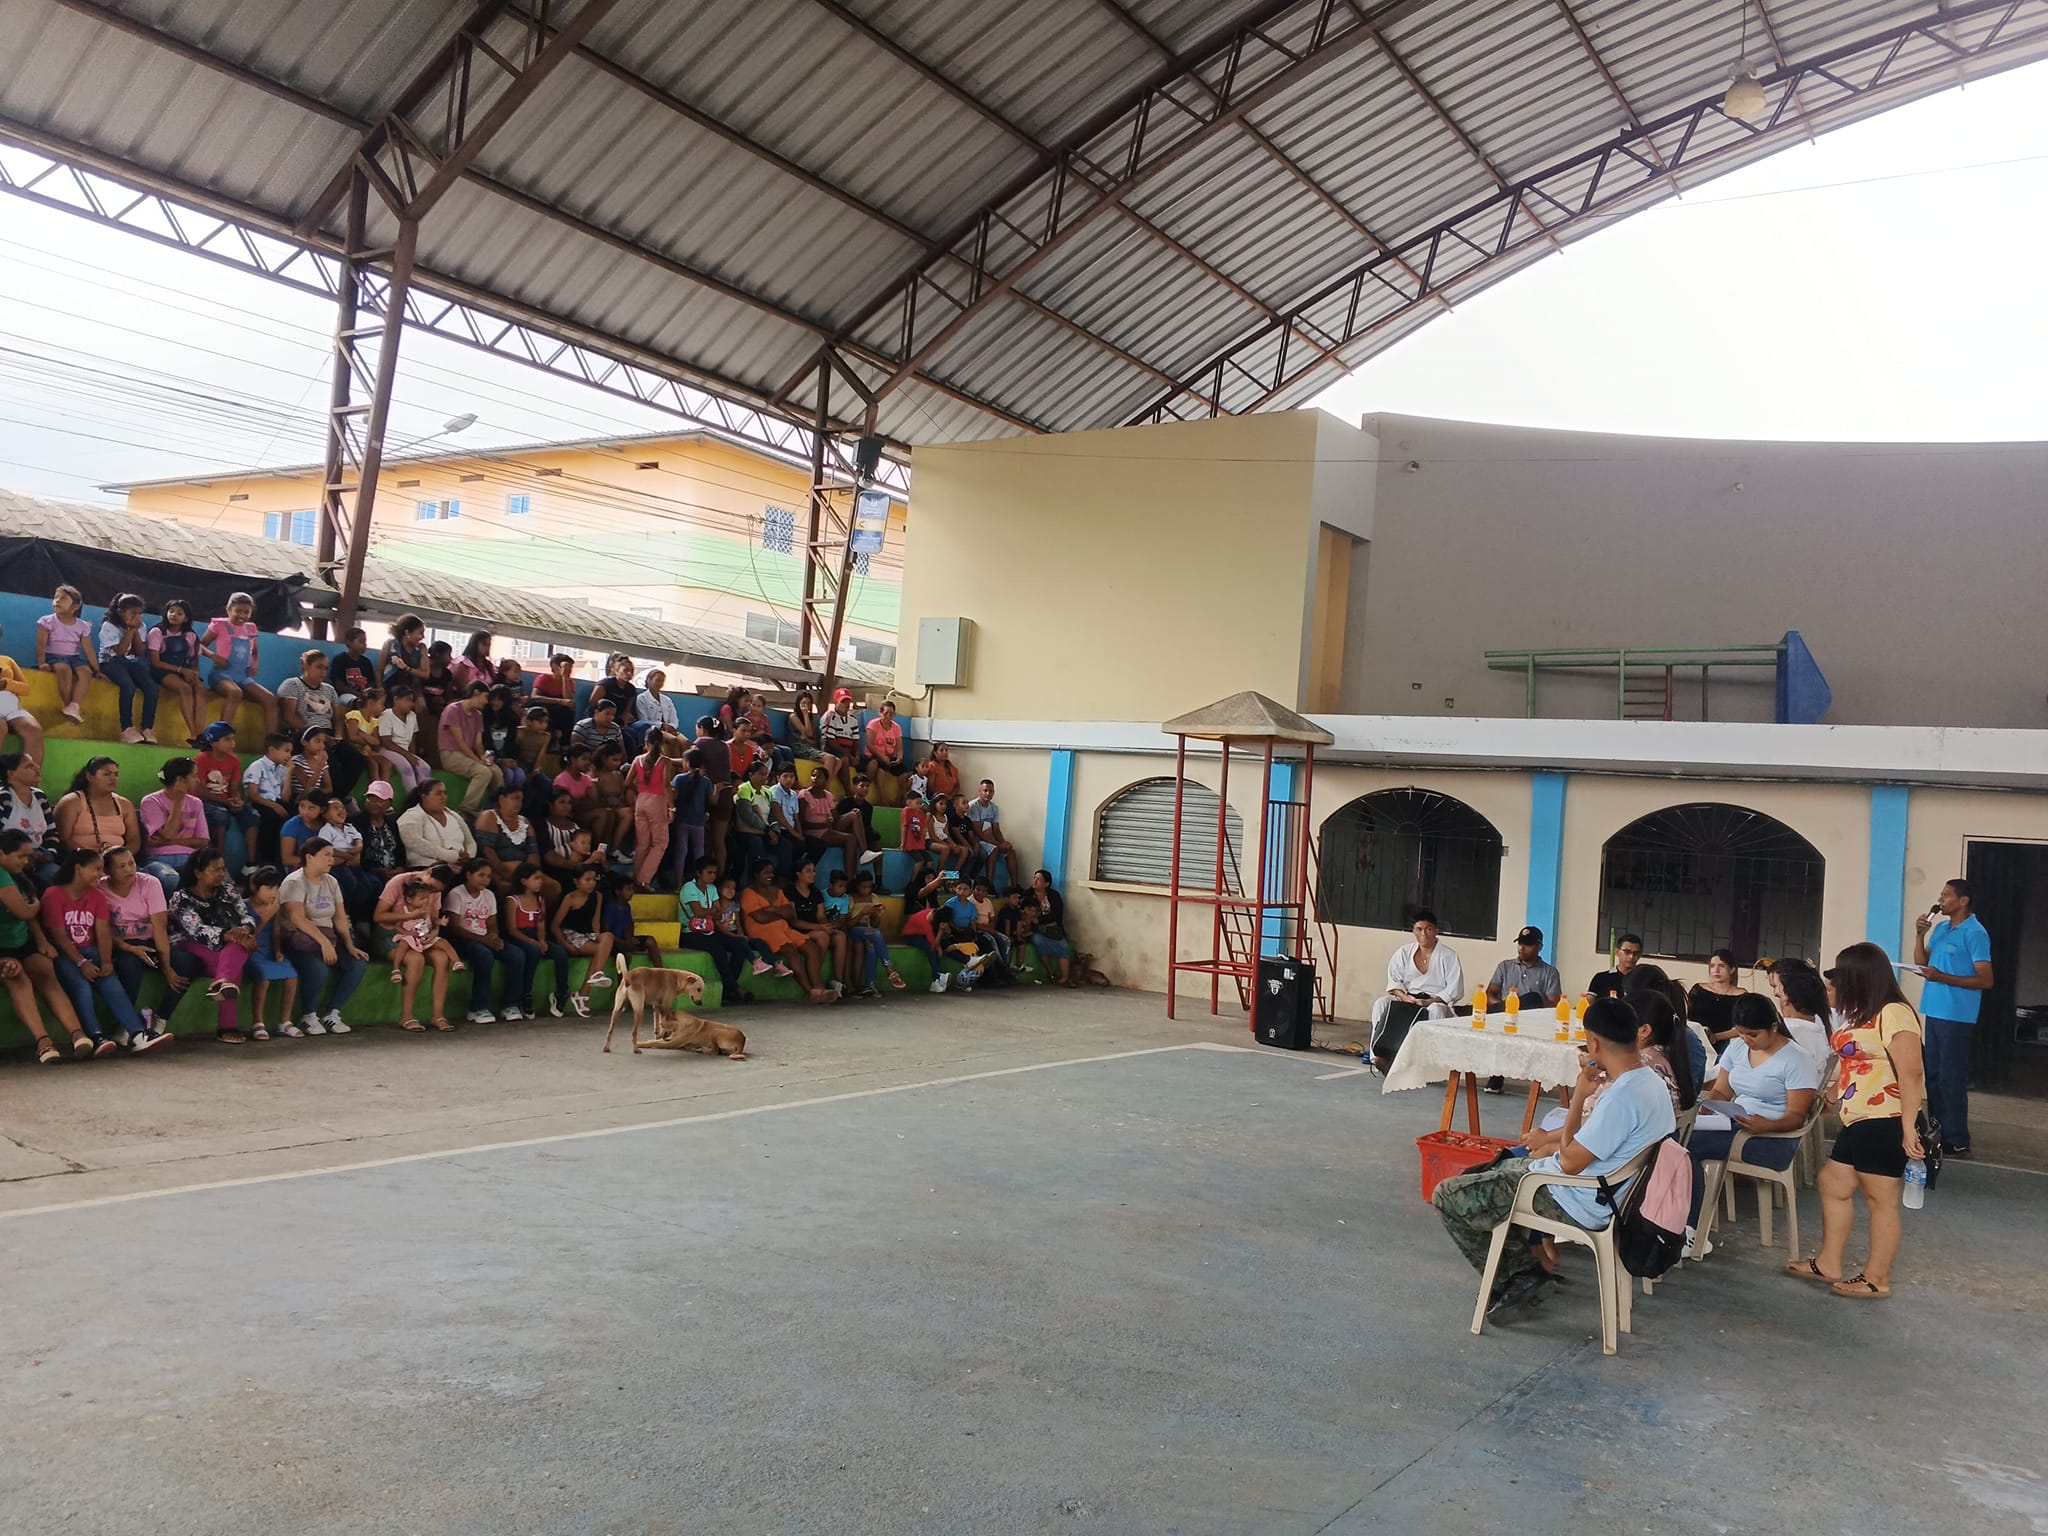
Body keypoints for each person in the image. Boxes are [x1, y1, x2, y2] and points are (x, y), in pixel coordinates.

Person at [1433, 994, 1677, 1317]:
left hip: (1574, 1197)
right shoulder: (1651, 1083)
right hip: (1603, 1193)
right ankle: (1524, 1269)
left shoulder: (1622, 1097)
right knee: (1483, 1175)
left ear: (1594, 1043)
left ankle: (1517, 1275)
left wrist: (1579, 1097)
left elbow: (1569, 1162)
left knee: (1447, 1195)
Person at [1788, 942, 1928, 1300]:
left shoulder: (1894, 1013)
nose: (1833, 986)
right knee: (1833, 1183)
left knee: (1880, 1199)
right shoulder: (1864, 1013)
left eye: (1840, 978)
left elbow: (1912, 1073)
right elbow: (1858, 1061)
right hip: (1860, 1119)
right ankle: (1829, 1262)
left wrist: (1908, 1127)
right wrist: (1834, 1096)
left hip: (1885, 1119)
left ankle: (1877, 1278)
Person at [1687, 991, 1822, 1230]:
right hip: (1737, 1121)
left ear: (1773, 1027)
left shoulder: (1796, 1059)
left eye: (1753, 1034)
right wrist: (1708, 1109)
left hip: (1772, 1137)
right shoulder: (1737, 1048)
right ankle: (1684, 1219)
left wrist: (1767, 1125)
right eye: (1740, 1033)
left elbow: (1796, 1117)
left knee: (1687, 1146)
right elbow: (1721, 1092)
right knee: (1679, 1136)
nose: (1746, 1039)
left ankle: (1691, 1226)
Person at [1912, 877, 1993, 1159]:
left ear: (1963, 901)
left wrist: (1942, 977)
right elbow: (1922, 963)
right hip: (1934, 1011)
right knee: (1934, 1075)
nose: (1940, 900)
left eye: (1946, 895)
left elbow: (1986, 979)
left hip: (1957, 1016)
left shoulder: (1975, 933)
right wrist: (1919, 935)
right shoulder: (1942, 928)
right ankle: (1937, 1131)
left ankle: (1957, 1138)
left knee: (1951, 1077)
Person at [0, 829, 93, 1062]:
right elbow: (25, 910)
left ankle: (78, 1034)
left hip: (22, 941)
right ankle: (43, 1042)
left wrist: (41, 940)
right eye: (21, 856)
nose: (26, 861)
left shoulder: (18, 874)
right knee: (18, 978)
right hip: (2, 949)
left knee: (46, 973)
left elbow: (28, 916)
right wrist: (36, 905)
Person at [41, 847, 144, 1053]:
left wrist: (106, 961)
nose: (100, 874)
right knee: (81, 986)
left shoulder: (97, 896)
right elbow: (58, 936)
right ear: (78, 868)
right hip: (65, 954)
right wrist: (81, 962)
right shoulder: (54, 894)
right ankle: (95, 1036)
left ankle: (138, 1033)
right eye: (96, 869)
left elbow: (103, 931)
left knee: (111, 982)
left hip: (91, 950)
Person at [167, 849, 260, 1042]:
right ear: (198, 873)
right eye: (215, 870)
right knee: (235, 961)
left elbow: (245, 915)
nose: (221, 873)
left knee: (235, 952)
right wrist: (229, 935)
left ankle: (221, 982)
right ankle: (227, 1027)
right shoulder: (181, 898)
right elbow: (196, 930)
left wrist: (246, 929)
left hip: (226, 947)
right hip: (189, 945)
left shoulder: (228, 890)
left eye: (223, 869)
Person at [279, 838, 365, 1036]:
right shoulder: (294, 882)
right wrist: (324, 943)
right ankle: (308, 1015)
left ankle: (333, 1013)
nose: (331, 860)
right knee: (318, 969)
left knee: (357, 964)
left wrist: (349, 945)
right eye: (326, 855)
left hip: (328, 936)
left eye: (332, 855)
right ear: (309, 857)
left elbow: (340, 917)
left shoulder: (331, 881)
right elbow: (298, 919)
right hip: (300, 939)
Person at [98, 845, 177, 1040]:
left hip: (150, 940)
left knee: (185, 962)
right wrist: (131, 949)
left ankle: (160, 1019)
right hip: (121, 943)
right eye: (121, 866)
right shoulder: (99, 888)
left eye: (131, 863)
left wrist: (166, 966)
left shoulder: (150, 883)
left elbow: (160, 929)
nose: (129, 869)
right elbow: (102, 932)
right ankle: (125, 1025)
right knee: (129, 964)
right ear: (107, 871)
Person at [1369, 911, 1465, 1071]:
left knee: (1437, 1010)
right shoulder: (1404, 952)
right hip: (1407, 999)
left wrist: (1429, 1001)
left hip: (1434, 1001)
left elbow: (1454, 989)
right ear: (1413, 931)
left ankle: (1429, 1062)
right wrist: (1406, 998)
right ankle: (1379, 1056)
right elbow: (1394, 982)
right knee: (1381, 1003)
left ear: (1436, 931)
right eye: (1419, 929)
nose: (1423, 934)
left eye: (1428, 929)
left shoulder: (1448, 956)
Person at [1482, 925, 1565, 1094]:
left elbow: (1553, 1004)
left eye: (1528, 944)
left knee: (1533, 998)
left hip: (1533, 1019)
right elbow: (1490, 993)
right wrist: (1507, 1008)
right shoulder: (1505, 966)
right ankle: (1497, 1075)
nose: (1522, 948)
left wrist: (1527, 1008)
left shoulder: (1549, 972)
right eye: (1520, 943)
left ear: (1539, 947)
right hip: (1505, 1016)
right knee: (1506, 1014)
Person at [741, 858, 834, 1003]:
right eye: (765, 872)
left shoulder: (777, 891)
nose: (770, 875)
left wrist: (772, 910)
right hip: (763, 931)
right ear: (756, 875)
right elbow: (761, 918)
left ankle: (819, 987)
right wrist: (780, 912)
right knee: (791, 951)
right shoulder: (748, 893)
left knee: (812, 948)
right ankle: (811, 992)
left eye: (771, 872)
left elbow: (791, 914)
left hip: (784, 928)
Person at [374, 865, 454, 1032]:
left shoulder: (435, 892)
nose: (431, 892)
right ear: (428, 872)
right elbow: (379, 916)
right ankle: (406, 1016)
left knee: (442, 958)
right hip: (392, 934)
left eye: (435, 891)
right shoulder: (398, 882)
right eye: (431, 887)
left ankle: (438, 1015)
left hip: (420, 935)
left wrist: (434, 932)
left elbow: (434, 919)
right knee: (415, 959)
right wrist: (409, 916)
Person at [278, 648, 365, 800]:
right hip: (305, 734)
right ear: (305, 665)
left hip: (328, 734)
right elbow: (289, 716)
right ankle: (334, 798)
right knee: (331, 763)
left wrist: (338, 736)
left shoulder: (329, 690)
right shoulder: (292, 685)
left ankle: (339, 796)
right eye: (319, 667)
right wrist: (319, 736)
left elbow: (338, 717)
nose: (323, 672)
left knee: (357, 758)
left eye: (325, 668)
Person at [445, 857, 524, 1024]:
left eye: (488, 876)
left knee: (516, 955)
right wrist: (483, 940)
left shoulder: (489, 895)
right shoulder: (456, 894)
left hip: (484, 938)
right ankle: (478, 1007)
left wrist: (494, 936)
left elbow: (492, 923)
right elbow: (455, 928)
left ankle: (510, 1004)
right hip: (464, 939)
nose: (485, 880)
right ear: (468, 875)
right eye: (481, 875)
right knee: (484, 955)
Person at [676, 854, 757, 1000]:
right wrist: (712, 912)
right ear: (699, 873)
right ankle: (735, 988)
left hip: (709, 930)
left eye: (714, 873)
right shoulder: (689, 887)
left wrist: (709, 912)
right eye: (709, 872)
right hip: (689, 933)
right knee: (718, 948)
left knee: (739, 944)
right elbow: (698, 912)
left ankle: (729, 987)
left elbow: (719, 914)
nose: (713, 876)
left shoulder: (712, 888)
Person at [198, 591, 277, 735]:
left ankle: (272, 740)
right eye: (238, 611)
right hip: (221, 675)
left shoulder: (251, 628)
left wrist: (254, 665)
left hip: (243, 677)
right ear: (228, 610)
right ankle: (221, 735)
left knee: (270, 699)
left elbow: (255, 652)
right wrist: (214, 656)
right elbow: (199, 645)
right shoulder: (219, 625)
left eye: (246, 612)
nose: (242, 615)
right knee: (235, 693)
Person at [241, 866, 301, 1037]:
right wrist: (265, 916)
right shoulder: (244, 906)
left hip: (268, 951)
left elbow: (275, 932)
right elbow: (249, 937)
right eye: (268, 888)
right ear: (254, 887)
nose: (273, 892)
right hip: (250, 952)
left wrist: (277, 951)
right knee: (263, 977)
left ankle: (285, 1022)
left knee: (292, 975)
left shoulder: (274, 907)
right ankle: (258, 1023)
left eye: (276, 888)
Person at [504, 861, 567, 1018]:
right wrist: (532, 942)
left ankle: (561, 993)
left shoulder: (540, 900)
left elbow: (540, 924)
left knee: (560, 952)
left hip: (535, 936)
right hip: (519, 937)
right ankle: (525, 995)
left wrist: (542, 940)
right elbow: (512, 929)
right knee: (532, 951)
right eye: (536, 878)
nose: (540, 882)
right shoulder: (512, 900)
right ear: (524, 881)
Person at [192, 723, 259, 871]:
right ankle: (220, 864)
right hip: (207, 801)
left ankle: (251, 863)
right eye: (227, 739)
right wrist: (225, 802)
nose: (233, 743)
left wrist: (236, 799)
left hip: (225, 801)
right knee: (220, 815)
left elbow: (234, 787)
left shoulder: (234, 761)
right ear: (214, 743)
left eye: (233, 739)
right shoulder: (201, 760)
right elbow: (200, 790)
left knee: (252, 815)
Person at [138, 757, 210, 894]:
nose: (198, 780)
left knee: (213, 877)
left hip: (191, 859)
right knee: (170, 879)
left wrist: (170, 842)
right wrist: (178, 800)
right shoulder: (151, 801)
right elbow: (168, 833)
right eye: (194, 776)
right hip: (159, 859)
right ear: (180, 780)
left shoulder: (196, 803)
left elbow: (203, 841)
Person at [552, 865, 616, 1018]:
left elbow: (595, 921)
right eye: (587, 880)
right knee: (600, 950)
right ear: (577, 882)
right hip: (571, 934)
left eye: (593, 880)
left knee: (608, 937)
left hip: (588, 933)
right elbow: (555, 925)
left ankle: (597, 974)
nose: (591, 883)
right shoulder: (570, 898)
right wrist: (565, 944)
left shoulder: (597, 896)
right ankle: (583, 994)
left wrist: (597, 937)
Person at [97, 593, 161, 744]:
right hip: (110, 661)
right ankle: (126, 728)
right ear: (120, 611)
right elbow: (119, 651)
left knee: (151, 687)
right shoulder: (109, 625)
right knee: (128, 685)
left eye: (140, 613)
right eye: (133, 613)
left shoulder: (141, 626)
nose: (137, 616)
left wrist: (136, 631)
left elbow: (140, 652)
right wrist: (130, 630)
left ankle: (147, 728)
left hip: (130, 661)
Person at [55, 756, 141, 863]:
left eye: (116, 774)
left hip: (117, 864)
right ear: (89, 776)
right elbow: (64, 839)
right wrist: (93, 857)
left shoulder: (125, 804)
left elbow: (134, 840)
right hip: (81, 861)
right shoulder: (71, 802)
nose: (113, 778)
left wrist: (118, 858)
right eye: (107, 774)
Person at [435, 681, 504, 814]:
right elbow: (460, 742)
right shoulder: (452, 710)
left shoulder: (478, 715)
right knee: (483, 772)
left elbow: (478, 743)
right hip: (451, 754)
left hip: (468, 754)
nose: (486, 701)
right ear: (475, 693)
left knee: (497, 771)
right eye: (485, 697)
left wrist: (484, 758)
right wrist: (478, 761)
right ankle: (467, 809)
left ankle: (498, 807)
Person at [36, 583, 99, 725]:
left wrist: (97, 669)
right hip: (54, 656)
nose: (57, 600)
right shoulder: (47, 621)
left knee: (86, 672)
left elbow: (88, 649)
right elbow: (41, 643)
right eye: (56, 597)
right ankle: (67, 704)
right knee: (64, 670)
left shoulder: (82, 625)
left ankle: (74, 705)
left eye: (63, 598)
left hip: (74, 657)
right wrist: (42, 662)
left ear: (75, 606)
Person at [147, 598, 206, 745]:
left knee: (199, 688)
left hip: (183, 669)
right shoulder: (157, 631)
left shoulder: (190, 635)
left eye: (179, 613)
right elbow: (155, 662)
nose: (174, 615)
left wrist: (194, 673)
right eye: (171, 611)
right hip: (161, 669)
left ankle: (200, 734)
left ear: (186, 618)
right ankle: (192, 732)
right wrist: (180, 670)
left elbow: (194, 660)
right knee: (185, 688)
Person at [786, 857, 847, 995]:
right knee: (822, 936)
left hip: (816, 928)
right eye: (808, 871)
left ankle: (838, 981)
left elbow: (820, 917)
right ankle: (815, 979)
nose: (813, 874)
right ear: (798, 874)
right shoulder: (790, 891)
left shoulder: (815, 892)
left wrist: (827, 926)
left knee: (840, 936)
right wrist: (820, 928)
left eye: (814, 871)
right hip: (798, 931)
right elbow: (793, 921)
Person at [1765, 957, 1835, 1075]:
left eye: (1775, 986)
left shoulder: (1784, 1031)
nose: (1775, 993)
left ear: (1787, 992)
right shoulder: (1821, 1024)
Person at [0, 750, 59, 884]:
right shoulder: (3, 798)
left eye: (34, 764)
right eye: (29, 766)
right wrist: (20, 855)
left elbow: (52, 832)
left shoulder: (40, 797)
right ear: (11, 773)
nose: (36, 768)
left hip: (39, 856)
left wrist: (49, 854)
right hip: (9, 857)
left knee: (59, 880)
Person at [844, 870, 904, 994]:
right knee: (875, 934)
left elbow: (875, 924)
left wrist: (877, 915)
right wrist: (862, 913)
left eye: (869, 887)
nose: (867, 890)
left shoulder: (873, 897)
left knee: (872, 949)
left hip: (868, 930)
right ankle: (889, 968)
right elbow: (848, 924)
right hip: (854, 929)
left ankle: (869, 984)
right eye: (863, 887)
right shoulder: (850, 898)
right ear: (857, 886)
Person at [398, 778, 477, 869]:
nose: (443, 797)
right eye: (438, 794)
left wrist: (469, 856)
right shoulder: (411, 816)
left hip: (460, 867)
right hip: (425, 869)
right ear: (424, 797)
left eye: (445, 793)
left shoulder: (454, 816)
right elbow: (414, 842)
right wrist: (449, 856)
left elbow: (470, 842)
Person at [240, 732, 294, 864]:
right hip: (260, 802)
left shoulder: (282, 769)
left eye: (290, 752)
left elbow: (285, 798)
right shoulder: (257, 766)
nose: (289, 756)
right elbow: (252, 795)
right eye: (286, 751)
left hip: (277, 802)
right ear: (272, 750)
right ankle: (266, 860)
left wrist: (289, 773)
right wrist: (274, 806)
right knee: (271, 817)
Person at [374, 683, 431, 796]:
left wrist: (411, 755)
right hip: (388, 750)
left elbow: (412, 739)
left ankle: (425, 797)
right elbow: (386, 743)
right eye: (408, 700)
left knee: (425, 768)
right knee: (406, 768)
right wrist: (407, 755)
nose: (411, 704)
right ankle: (413, 799)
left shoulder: (412, 716)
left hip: (405, 751)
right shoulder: (386, 715)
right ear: (396, 700)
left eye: (412, 701)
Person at [0, 628, 46, 765]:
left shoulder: (7, 660)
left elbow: (26, 689)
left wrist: (6, 683)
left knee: (34, 730)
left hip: (11, 707)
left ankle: (30, 776)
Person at [966, 779, 1020, 889]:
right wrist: (997, 844)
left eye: (990, 791)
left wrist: (1003, 842)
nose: (988, 794)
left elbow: (996, 830)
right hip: (976, 840)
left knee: (1011, 852)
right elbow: (977, 831)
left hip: (988, 840)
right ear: (979, 791)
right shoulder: (973, 806)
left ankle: (1015, 887)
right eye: (985, 790)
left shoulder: (994, 808)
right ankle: (989, 884)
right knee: (994, 849)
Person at [1687, 948, 1748, 1043]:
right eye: (1712, 966)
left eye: (1721, 966)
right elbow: (1687, 1016)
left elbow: (1744, 1026)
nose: (1716, 970)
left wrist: (1715, 1037)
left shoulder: (1741, 995)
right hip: (1696, 1039)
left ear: (1732, 970)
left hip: (1725, 1043)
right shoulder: (1698, 989)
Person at [1024, 868, 1073, 986]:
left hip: (1053, 929)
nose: (1035, 881)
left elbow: (1056, 914)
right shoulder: (1028, 895)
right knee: (1038, 941)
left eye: (1039, 879)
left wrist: (1039, 920)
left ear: (1046, 884)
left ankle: (1065, 977)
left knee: (1063, 946)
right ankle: (1051, 972)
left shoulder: (1054, 896)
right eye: (1034, 878)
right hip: (1035, 929)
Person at [532, 652, 578, 748]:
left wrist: (565, 677)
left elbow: (568, 700)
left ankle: (565, 745)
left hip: (559, 711)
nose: (569, 670)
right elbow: (534, 697)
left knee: (568, 711)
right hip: (544, 706)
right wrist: (559, 701)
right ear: (554, 667)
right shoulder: (544, 678)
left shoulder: (570, 682)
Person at [377, 614, 429, 695]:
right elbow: (379, 671)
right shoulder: (390, 644)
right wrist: (380, 689)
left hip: (412, 687)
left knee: (420, 702)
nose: (423, 637)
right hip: (391, 685)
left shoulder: (421, 649)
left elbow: (425, 674)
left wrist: (406, 668)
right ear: (407, 633)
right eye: (420, 633)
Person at [329, 626, 378, 705]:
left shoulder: (366, 662)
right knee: (353, 700)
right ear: (349, 642)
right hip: (345, 694)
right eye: (361, 642)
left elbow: (371, 682)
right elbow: (339, 685)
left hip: (364, 694)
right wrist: (357, 694)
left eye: (365, 642)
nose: (365, 645)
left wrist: (369, 690)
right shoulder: (340, 660)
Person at [819, 689, 861, 777]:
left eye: (847, 702)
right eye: (842, 702)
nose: (846, 705)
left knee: (870, 763)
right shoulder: (830, 716)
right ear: (836, 702)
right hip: (832, 751)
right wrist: (849, 755)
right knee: (844, 759)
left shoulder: (853, 720)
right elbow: (830, 741)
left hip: (848, 752)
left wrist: (857, 756)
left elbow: (856, 740)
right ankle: (848, 786)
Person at [1586, 933, 1642, 998]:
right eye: (1627, 952)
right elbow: (1589, 1001)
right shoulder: (1601, 978)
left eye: (1636, 953)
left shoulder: (1644, 980)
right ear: (1617, 952)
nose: (1631, 956)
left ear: (1640, 955)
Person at [863, 699, 906, 780]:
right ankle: (869, 784)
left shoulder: (896, 727)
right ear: (880, 712)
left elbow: (899, 747)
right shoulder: (873, 724)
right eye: (886, 713)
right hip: (874, 756)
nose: (888, 716)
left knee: (905, 773)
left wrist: (899, 758)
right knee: (875, 765)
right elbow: (869, 744)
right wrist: (882, 757)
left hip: (890, 757)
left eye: (891, 714)